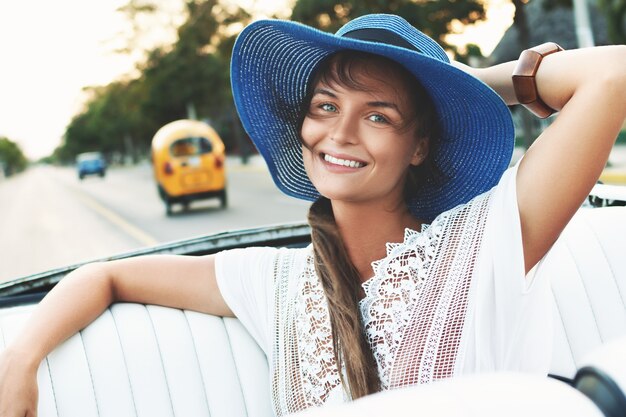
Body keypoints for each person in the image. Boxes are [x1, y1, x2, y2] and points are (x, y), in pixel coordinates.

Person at [1, 13, 625, 417]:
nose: (341, 133)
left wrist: (460, 87)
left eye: (378, 115)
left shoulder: (486, 240)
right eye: (325, 106)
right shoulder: (274, 283)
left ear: (420, 146)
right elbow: (105, 277)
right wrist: (19, 360)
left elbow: (613, 74)